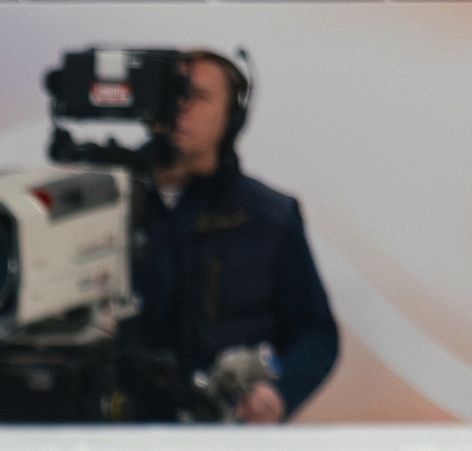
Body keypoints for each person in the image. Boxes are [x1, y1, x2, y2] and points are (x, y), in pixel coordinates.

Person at [123, 50, 338, 423]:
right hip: (113, 436)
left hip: (226, 437)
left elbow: (314, 333)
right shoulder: (101, 207)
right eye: (172, 94)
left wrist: (279, 393)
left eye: (199, 96)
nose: (181, 107)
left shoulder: (270, 217)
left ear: (232, 117)